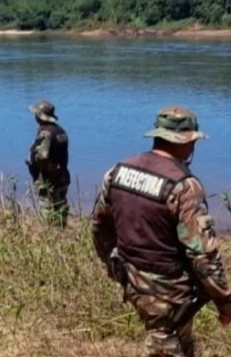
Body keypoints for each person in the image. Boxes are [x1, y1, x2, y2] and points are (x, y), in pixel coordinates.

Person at [91, 106, 231, 357]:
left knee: (178, 339)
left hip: (133, 277)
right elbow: (203, 255)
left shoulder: (118, 171)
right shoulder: (184, 186)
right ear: (188, 142)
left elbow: (99, 226)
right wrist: (224, 300)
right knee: (164, 342)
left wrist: (112, 264)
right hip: (169, 289)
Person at [26, 100, 70, 227]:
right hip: (63, 177)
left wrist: (39, 167)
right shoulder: (61, 131)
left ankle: (48, 237)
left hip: (49, 181)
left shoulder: (45, 133)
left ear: (40, 117)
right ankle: (61, 237)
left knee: (47, 212)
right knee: (60, 210)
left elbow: (43, 156)